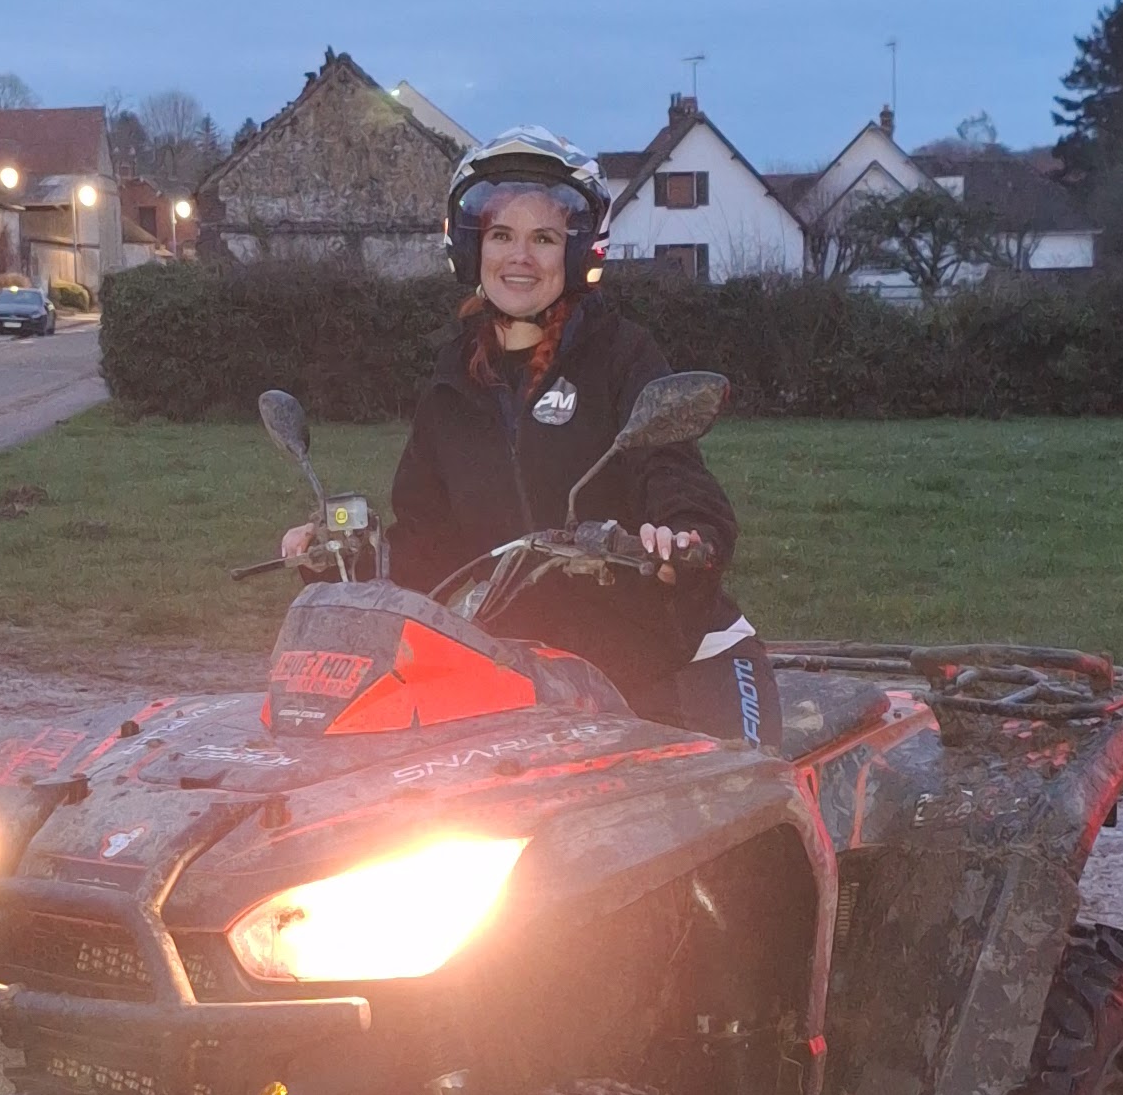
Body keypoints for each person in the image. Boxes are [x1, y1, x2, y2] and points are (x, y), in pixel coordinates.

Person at [285, 126, 781, 747]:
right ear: (471, 247)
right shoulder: (452, 383)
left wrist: (683, 536)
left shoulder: (620, 355)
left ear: (576, 253)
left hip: (675, 659)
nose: (519, 256)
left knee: (733, 795)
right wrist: (343, 562)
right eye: (501, 235)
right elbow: (428, 543)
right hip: (532, 676)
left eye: (543, 238)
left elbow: (671, 466)